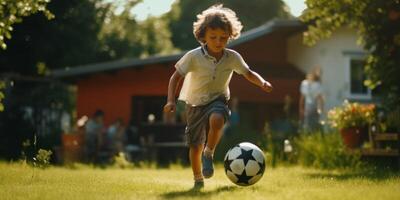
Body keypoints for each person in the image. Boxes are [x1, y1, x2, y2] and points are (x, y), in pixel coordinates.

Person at [163, 4, 273, 190]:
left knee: (217, 119)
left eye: (223, 38)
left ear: (230, 36)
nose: (218, 41)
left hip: (218, 99)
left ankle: (209, 152)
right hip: (195, 103)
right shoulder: (193, 57)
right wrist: (171, 100)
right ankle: (198, 179)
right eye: (213, 37)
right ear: (203, 36)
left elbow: (248, 73)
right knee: (195, 145)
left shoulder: (232, 57)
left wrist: (262, 82)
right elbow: (175, 77)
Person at [299, 67, 324, 132]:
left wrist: (320, 109)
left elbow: (320, 98)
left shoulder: (317, 85)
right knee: (306, 125)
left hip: (314, 108)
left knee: (314, 125)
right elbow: (302, 97)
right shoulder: (304, 84)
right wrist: (301, 108)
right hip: (307, 108)